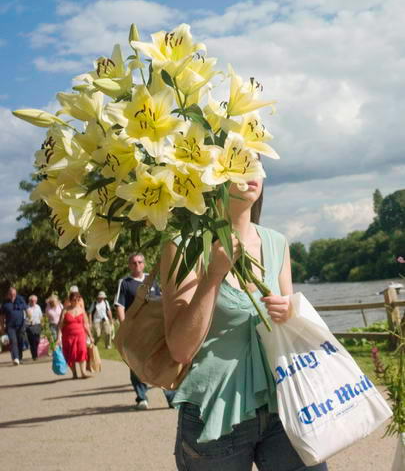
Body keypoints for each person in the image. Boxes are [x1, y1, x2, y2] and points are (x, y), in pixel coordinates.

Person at [160, 179, 328, 471]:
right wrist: (213, 275)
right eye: (238, 160)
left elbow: (290, 330)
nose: (251, 169)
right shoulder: (183, 246)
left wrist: (290, 313)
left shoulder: (277, 243)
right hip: (214, 415)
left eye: (255, 159)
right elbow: (180, 349)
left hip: (285, 404)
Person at [115, 252, 175, 410]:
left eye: (140, 262)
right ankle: (142, 398)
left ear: (144, 263)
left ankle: (171, 398)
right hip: (135, 330)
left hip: (155, 328)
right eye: (134, 263)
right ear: (129, 265)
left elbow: (162, 299)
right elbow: (120, 306)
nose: (137, 265)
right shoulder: (125, 283)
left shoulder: (152, 279)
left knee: (162, 362)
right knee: (135, 363)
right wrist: (125, 327)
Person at [56, 290, 93, 379]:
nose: (76, 302)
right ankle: (74, 373)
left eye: (77, 300)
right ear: (70, 300)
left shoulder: (81, 310)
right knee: (70, 354)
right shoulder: (65, 310)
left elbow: (86, 324)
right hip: (68, 336)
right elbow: (60, 325)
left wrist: (90, 336)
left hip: (80, 335)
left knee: (82, 351)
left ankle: (83, 372)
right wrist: (58, 337)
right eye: (74, 300)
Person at [0, 286, 27, 365]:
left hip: (21, 325)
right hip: (10, 326)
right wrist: (2, 327)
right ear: (8, 294)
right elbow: (1, 316)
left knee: (20, 341)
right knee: (13, 341)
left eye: (14, 294)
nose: (13, 296)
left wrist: (30, 316)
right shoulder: (5, 303)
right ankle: (15, 358)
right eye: (11, 294)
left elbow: (26, 308)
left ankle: (19, 357)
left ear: (16, 293)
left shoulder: (20, 300)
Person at [26, 294, 43, 360]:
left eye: (35, 301)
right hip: (29, 326)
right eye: (32, 300)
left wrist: (42, 323)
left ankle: (35, 353)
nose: (33, 302)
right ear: (29, 301)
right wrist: (29, 321)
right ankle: (34, 355)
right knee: (32, 341)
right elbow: (24, 317)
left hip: (37, 325)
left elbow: (40, 315)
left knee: (37, 341)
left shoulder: (38, 307)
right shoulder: (27, 307)